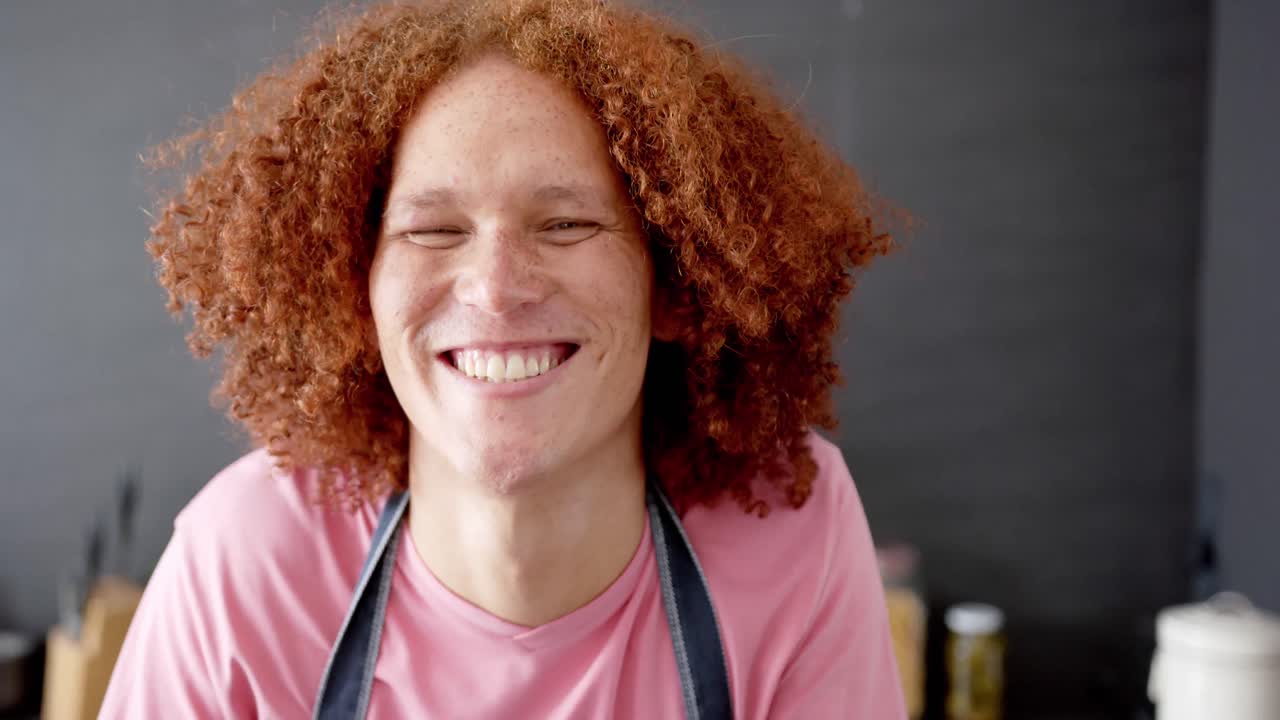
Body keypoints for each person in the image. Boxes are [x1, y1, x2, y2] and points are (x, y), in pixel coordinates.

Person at [100, 0, 903, 717]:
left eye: (567, 224)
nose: (494, 289)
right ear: (357, 289)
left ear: (676, 287)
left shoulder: (794, 530)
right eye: (432, 230)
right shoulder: (246, 557)